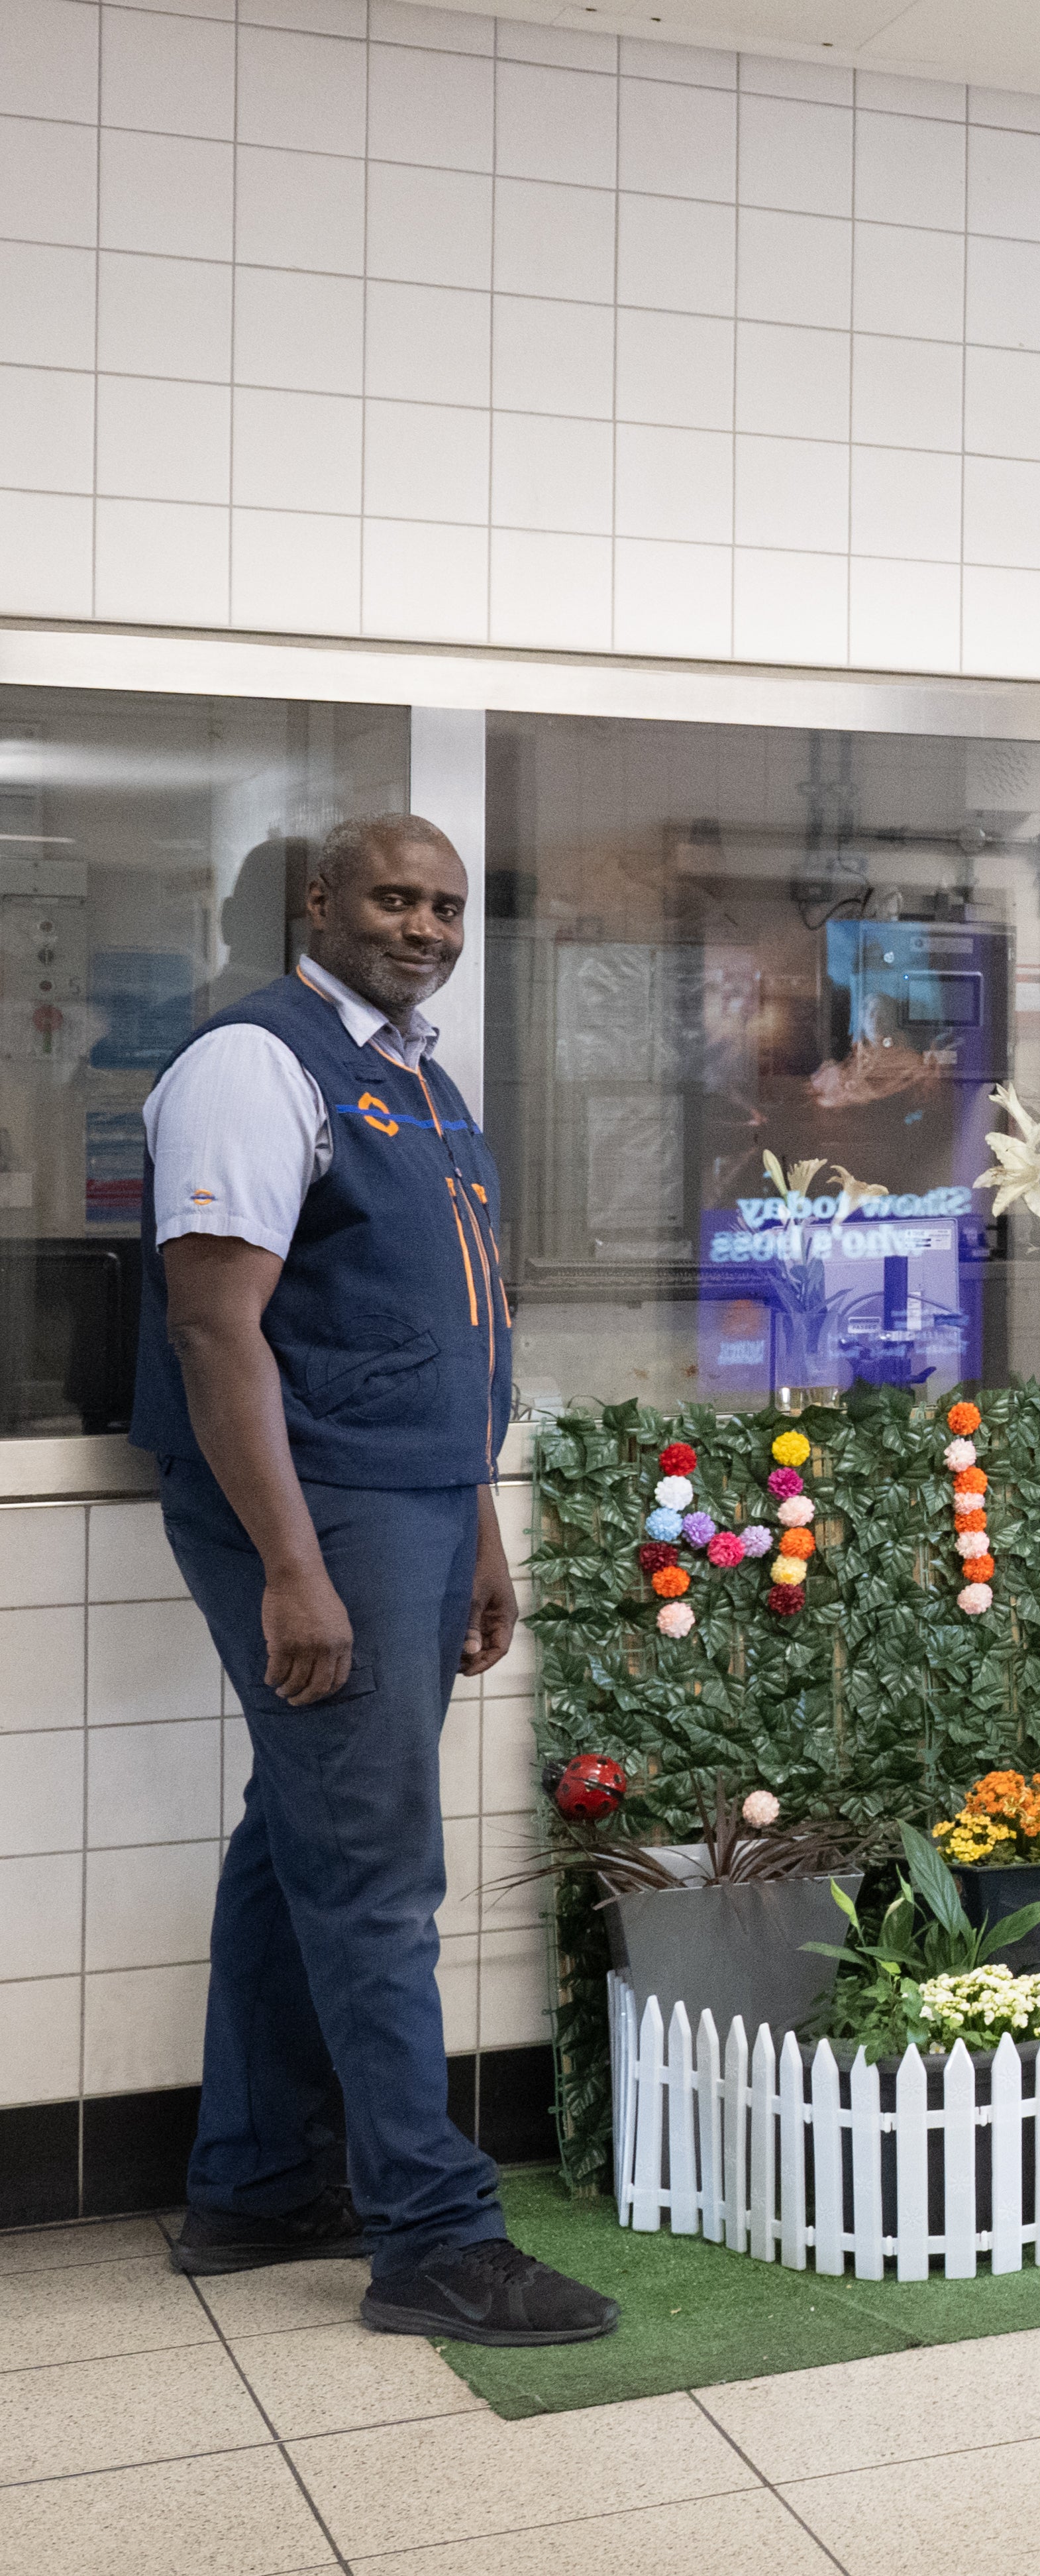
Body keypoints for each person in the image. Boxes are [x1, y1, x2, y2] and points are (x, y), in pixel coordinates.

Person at [136, 813, 621, 2346]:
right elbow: (218, 1332)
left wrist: (478, 1527)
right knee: (374, 1863)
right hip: (316, 1507)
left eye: (448, 907)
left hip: (411, 1500)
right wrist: (291, 1564)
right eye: (396, 899)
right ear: (321, 902)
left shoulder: (416, 1074)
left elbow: (451, 1329)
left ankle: (258, 2182)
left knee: (303, 1829)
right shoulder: (253, 1062)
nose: (423, 927)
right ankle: (431, 2233)